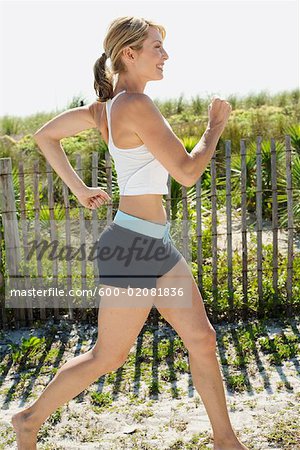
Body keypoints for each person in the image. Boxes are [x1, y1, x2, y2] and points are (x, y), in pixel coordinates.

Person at [11, 15, 249, 450]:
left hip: (153, 242)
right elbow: (187, 172)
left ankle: (226, 441)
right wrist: (215, 126)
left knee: (202, 338)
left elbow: (46, 136)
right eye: (156, 47)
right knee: (109, 356)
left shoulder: (105, 108)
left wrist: (80, 189)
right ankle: (28, 420)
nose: (165, 55)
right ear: (130, 54)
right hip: (133, 247)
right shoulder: (135, 105)